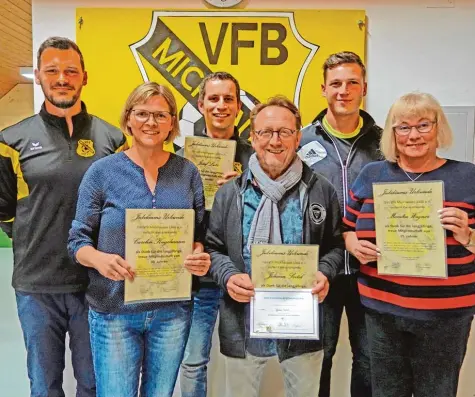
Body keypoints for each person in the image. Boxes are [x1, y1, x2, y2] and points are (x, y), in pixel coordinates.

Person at [0, 36, 127, 397]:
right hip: (36, 286)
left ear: (84, 77)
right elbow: (5, 211)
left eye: (70, 71)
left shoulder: (113, 138)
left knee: (94, 382)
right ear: (38, 76)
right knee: (44, 385)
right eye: (52, 71)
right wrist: (40, 238)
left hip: (97, 284)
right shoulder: (10, 140)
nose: (62, 78)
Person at [68, 81, 209, 397]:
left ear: (172, 122)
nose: (151, 122)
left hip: (172, 312)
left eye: (161, 115)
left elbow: (198, 236)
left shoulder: (188, 172)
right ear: (128, 118)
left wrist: (198, 255)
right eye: (142, 113)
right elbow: (77, 241)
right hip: (114, 312)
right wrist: (100, 259)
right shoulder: (102, 172)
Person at [206, 96, 344, 397]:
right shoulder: (230, 194)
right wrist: (229, 275)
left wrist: (324, 272)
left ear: (297, 137)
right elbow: (213, 249)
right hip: (242, 322)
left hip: (303, 325)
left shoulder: (322, 189)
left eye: (284, 132)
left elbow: (336, 245)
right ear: (253, 139)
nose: (275, 141)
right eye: (265, 132)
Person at [343, 92, 475, 397]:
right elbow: (346, 228)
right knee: (386, 392)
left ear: (438, 128)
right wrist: (353, 245)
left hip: (445, 317)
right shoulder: (371, 174)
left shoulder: (468, 176)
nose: (413, 135)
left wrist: (467, 235)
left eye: (423, 125)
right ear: (392, 133)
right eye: (403, 127)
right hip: (381, 311)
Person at [298, 51, 381, 397]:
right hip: (320, 268)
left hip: (373, 268)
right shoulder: (301, 140)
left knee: (369, 358)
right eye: (335, 83)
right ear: (323, 89)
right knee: (321, 356)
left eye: (352, 83)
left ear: (364, 88)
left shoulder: (384, 141)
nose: (343, 90)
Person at [177, 71, 253, 397]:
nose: (221, 105)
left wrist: (240, 194)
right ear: (201, 104)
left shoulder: (257, 158)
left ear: (238, 107)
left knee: (248, 362)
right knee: (193, 361)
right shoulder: (181, 159)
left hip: (243, 274)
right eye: (213, 98)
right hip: (199, 278)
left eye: (228, 99)